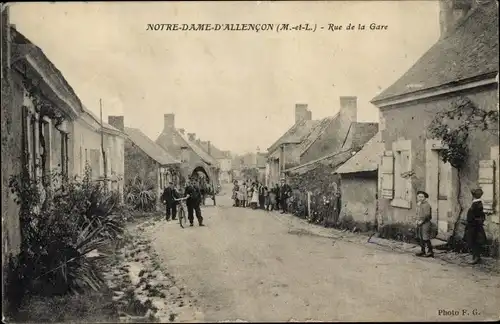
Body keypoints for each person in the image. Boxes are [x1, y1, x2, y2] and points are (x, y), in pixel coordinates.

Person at [463, 187, 487, 264]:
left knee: (474, 241)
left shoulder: (477, 204)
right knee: (474, 241)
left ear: (473, 196)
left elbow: (477, 216)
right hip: (474, 225)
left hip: (474, 226)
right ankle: (476, 257)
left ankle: (476, 258)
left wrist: (470, 222)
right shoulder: (477, 203)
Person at [415, 190, 433, 258]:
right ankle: (422, 250)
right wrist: (416, 220)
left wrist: (421, 221)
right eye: (419, 196)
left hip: (426, 223)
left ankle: (430, 251)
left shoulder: (426, 205)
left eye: (422, 197)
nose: (420, 198)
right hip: (419, 223)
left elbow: (427, 215)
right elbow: (417, 214)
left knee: (426, 238)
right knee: (420, 238)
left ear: (425, 198)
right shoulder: (418, 204)